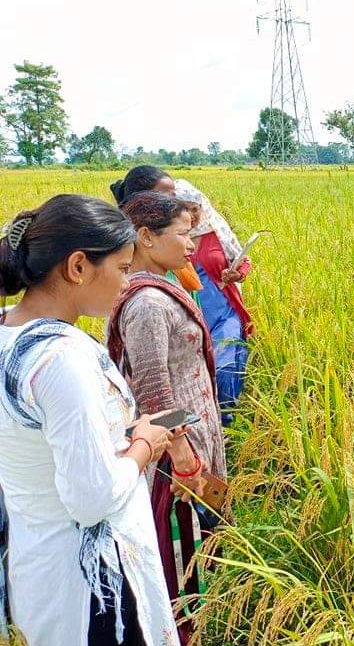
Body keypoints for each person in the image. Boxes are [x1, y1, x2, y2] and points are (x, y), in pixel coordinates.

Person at [0, 195, 179, 645]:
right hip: (96, 590)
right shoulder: (62, 359)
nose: (127, 282)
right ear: (78, 266)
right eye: (121, 268)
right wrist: (145, 445)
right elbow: (92, 498)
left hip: (38, 564)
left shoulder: (8, 334)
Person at [106, 192, 223, 646]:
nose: (192, 244)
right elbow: (154, 394)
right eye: (182, 234)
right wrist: (184, 459)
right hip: (176, 458)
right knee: (181, 556)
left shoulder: (160, 288)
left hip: (188, 444)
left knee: (196, 548)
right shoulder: (149, 305)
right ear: (146, 238)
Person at [173, 180, 253, 416]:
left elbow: (243, 260)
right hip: (188, 315)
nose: (193, 215)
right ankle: (201, 418)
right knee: (193, 372)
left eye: (196, 209)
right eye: (185, 209)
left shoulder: (215, 233)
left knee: (225, 365)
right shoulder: (170, 239)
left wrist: (237, 273)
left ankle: (226, 419)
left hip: (223, 310)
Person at [109, 165, 203, 304]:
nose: (173, 203)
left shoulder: (168, 260)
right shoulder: (146, 298)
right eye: (164, 198)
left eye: (174, 196)